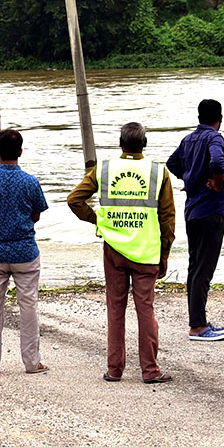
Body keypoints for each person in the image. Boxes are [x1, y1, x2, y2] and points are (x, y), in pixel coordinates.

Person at [68, 122, 176, 384]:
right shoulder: (158, 172)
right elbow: (168, 218)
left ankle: (115, 370)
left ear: (120, 143)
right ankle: (150, 370)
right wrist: (165, 253)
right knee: (145, 309)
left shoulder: (104, 169)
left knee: (115, 309)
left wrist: (97, 221)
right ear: (144, 144)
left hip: (114, 249)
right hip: (146, 251)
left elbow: (74, 199)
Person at [0, 128, 49, 376]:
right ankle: (31, 362)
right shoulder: (30, 181)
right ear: (20, 152)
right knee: (29, 305)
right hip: (25, 251)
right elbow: (36, 214)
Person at [166, 98, 224, 342]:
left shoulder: (188, 139)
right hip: (210, 210)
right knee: (203, 269)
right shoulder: (215, 138)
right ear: (220, 119)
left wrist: (190, 178)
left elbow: (172, 163)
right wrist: (215, 179)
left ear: (199, 117)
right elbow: (216, 160)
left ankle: (198, 320)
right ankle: (197, 326)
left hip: (192, 210)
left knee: (195, 267)